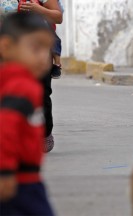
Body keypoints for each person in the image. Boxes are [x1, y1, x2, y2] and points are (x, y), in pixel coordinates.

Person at [0, 12, 55, 215]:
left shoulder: (9, 81)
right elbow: (5, 129)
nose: (43, 57)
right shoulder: (22, 86)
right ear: (6, 47)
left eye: (46, 49)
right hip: (21, 181)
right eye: (35, 48)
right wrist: (5, 171)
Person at [18, 0, 63, 152]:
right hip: (9, 50)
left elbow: (58, 17)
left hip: (39, 52)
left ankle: (45, 134)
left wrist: (38, 9)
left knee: (41, 94)